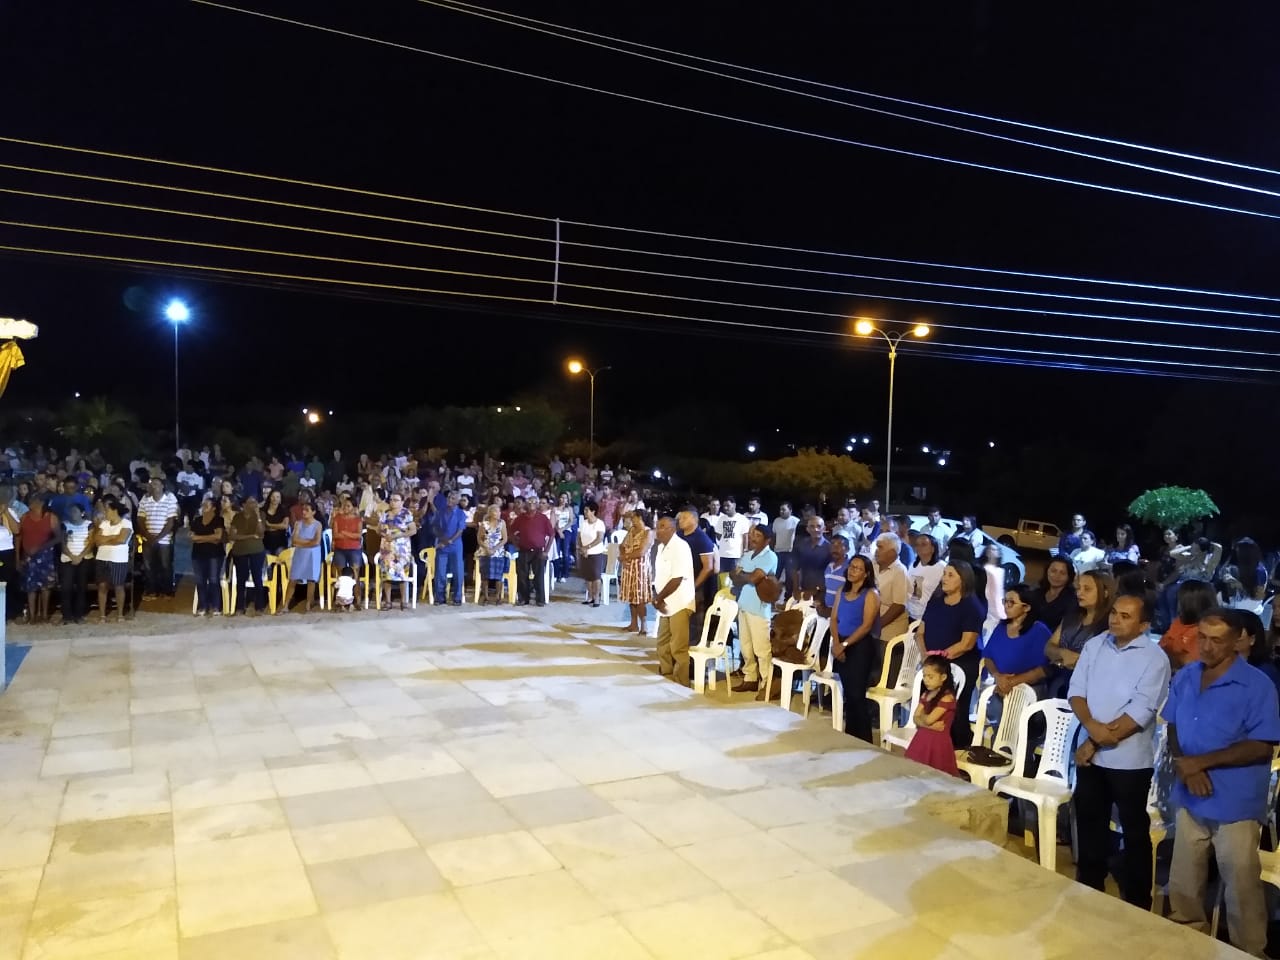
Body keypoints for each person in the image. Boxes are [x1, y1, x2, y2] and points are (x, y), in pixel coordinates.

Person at [1164, 608, 1280, 957]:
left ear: (1236, 642)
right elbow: (1172, 725)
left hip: (1235, 803)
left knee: (1241, 891)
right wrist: (1187, 765)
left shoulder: (1257, 685)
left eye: (1217, 640)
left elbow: (1262, 745)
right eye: (1202, 637)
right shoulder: (1187, 676)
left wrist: (1203, 762)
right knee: (1184, 886)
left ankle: (1249, 952)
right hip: (1191, 794)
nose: (1207, 646)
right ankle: (1186, 948)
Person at [1069, 593, 1171, 910]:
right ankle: (1089, 884)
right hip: (1091, 754)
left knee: (1134, 829)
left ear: (1143, 625)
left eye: (1126, 616)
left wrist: (1093, 741)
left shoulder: (1155, 659)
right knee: (1089, 821)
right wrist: (1090, 726)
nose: (1115, 619)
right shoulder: (1096, 644)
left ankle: (1138, 899)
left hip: (1128, 761)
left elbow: (1140, 711)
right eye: (1114, 612)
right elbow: (1077, 691)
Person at [917, 562, 985, 748]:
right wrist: (926, 658)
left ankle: (959, 750)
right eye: (944, 574)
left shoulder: (972, 607)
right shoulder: (936, 599)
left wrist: (939, 660)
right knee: (928, 709)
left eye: (950, 575)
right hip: (932, 664)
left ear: (963, 580)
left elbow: (966, 644)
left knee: (954, 715)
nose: (944, 578)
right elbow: (920, 632)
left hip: (958, 666)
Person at [981, 583, 1051, 723]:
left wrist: (1012, 682)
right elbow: (988, 656)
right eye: (1005, 601)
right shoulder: (1001, 627)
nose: (1006, 605)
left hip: (1027, 691)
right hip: (1001, 688)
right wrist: (998, 676)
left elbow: (1044, 669)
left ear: (1026, 607)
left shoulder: (1039, 631)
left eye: (1011, 602)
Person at [831, 555, 880, 741]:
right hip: (841, 644)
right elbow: (834, 619)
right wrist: (836, 643)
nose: (852, 570)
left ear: (866, 573)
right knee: (848, 694)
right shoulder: (842, 591)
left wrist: (844, 644)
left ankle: (865, 739)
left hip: (860, 646)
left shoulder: (871, 594)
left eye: (858, 568)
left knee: (857, 693)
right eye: (851, 566)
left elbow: (866, 625)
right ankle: (850, 735)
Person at [1045, 570, 1115, 694]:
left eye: (1087, 589)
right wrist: (1063, 653)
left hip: (1087, 690)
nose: (1079, 593)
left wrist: (1071, 659)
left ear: (1105, 592)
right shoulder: (1071, 617)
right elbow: (1048, 647)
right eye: (1078, 588)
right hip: (1058, 682)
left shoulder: (1110, 625)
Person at [731, 524, 779, 700]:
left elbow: (753, 577)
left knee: (762, 649)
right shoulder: (748, 554)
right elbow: (733, 575)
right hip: (744, 604)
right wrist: (747, 575)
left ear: (767, 540)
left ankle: (767, 683)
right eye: (752, 535)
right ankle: (750, 678)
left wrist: (744, 574)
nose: (753, 538)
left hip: (759, 607)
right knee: (746, 646)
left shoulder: (770, 556)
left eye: (757, 535)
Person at [653, 515, 695, 686]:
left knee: (678, 646)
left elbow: (677, 579)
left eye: (662, 526)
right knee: (662, 641)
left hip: (679, 602)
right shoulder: (661, 547)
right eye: (657, 526)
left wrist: (658, 598)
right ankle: (666, 673)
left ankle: (680, 682)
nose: (658, 530)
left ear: (672, 529)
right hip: (665, 602)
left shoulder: (680, 547)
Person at [904, 655, 961, 776]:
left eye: (931, 677)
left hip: (937, 743)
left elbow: (928, 719)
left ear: (943, 677)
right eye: (924, 676)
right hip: (923, 738)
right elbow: (915, 718)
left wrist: (923, 718)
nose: (926, 680)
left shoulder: (947, 697)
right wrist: (928, 726)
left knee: (936, 775)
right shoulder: (927, 694)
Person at [676, 508, 717, 646]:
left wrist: (694, 586)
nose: (681, 521)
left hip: (695, 587)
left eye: (685, 518)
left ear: (695, 519)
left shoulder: (701, 539)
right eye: (680, 518)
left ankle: (693, 655)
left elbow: (708, 567)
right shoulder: (679, 535)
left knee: (694, 621)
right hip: (679, 584)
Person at [17, 494, 59, 623]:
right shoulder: (24, 517)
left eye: (33, 501)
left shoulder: (51, 518)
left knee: (45, 587)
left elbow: (58, 538)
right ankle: (32, 614)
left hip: (45, 555)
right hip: (28, 556)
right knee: (31, 587)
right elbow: (19, 537)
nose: (30, 504)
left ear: (40, 503)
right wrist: (17, 557)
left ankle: (45, 614)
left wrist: (41, 547)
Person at [1160, 579, 1217, 671]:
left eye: (1179, 600)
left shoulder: (1205, 632)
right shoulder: (1178, 623)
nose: (1176, 604)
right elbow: (1161, 648)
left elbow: (1192, 664)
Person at [136, 478, 179, 598]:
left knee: (165, 565)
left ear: (162, 486)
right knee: (149, 566)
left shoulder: (169, 500)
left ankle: (167, 590)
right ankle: (152, 590)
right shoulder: (145, 500)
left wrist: (158, 537)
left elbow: (170, 522)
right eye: (151, 484)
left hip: (164, 540)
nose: (153, 486)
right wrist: (148, 535)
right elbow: (140, 519)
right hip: (147, 539)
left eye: (156, 484)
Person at [92, 496, 132, 622]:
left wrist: (107, 538)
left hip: (118, 559)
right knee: (102, 586)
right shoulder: (104, 523)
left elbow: (122, 539)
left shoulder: (126, 523)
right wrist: (113, 537)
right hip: (102, 558)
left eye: (106, 510)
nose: (105, 513)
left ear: (114, 510)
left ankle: (120, 614)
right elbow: (97, 541)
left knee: (118, 586)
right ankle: (102, 615)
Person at [376, 493, 417, 610]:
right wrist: (384, 534)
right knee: (386, 574)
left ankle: (404, 601)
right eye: (391, 500)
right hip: (387, 548)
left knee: (402, 574)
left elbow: (413, 531)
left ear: (402, 502)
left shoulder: (406, 514)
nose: (393, 502)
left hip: (402, 548)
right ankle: (388, 601)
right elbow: (378, 530)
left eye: (396, 500)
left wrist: (399, 535)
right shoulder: (385, 514)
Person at [229, 495, 267, 616]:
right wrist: (250, 536)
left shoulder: (260, 515)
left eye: (255, 502)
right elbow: (232, 536)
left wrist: (258, 517)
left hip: (257, 550)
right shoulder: (237, 517)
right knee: (241, 579)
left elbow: (261, 533)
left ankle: (259, 606)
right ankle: (240, 606)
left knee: (257, 578)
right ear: (244, 505)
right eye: (251, 502)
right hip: (240, 551)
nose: (254, 505)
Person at [189, 496, 226, 617]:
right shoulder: (197, 520)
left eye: (207, 505)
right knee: (200, 581)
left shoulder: (218, 520)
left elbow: (218, 537)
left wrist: (199, 539)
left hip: (214, 554)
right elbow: (191, 537)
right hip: (198, 555)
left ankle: (216, 606)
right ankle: (203, 606)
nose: (204, 508)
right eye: (203, 505)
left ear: (214, 508)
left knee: (214, 579)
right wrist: (209, 538)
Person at [58, 502, 93, 625]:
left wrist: (80, 557)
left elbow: (91, 543)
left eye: (75, 511)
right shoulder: (65, 525)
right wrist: (72, 556)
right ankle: (66, 615)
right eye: (71, 511)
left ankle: (79, 615)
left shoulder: (89, 525)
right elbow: (62, 544)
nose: (72, 514)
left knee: (81, 587)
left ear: (82, 513)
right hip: (68, 559)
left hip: (83, 559)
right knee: (66, 587)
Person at [432, 491, 468, 606]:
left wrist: (449, 541)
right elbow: (435, 527)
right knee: (440, 572)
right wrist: (442, 539)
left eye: (453, 498)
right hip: (442, 545)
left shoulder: (461, 513)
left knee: (458, 571)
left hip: (455, 545)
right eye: (449, 497)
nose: (449, 500)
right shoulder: (440, 512)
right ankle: (439, 597)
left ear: (457, 501)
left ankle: (457, 597)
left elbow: (460, 530)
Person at [620, 511, 653, 632]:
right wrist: (624, 557)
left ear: (640, 518)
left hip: (641, 568)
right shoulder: (631, 530)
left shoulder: (648, 533)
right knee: (631, 596)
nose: (631, 520)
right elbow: (622, 546)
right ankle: (633, 623)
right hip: (629, 567)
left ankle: (644, 625)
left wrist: (625, 557)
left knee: (640, 597)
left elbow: (641, 552)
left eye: (633, 517)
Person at [287, 502, 322, 614]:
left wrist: (302, 544)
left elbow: (316, 542)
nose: (304, 512)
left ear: (313, 512)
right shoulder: (298, 524)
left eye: (307, 510)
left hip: (313, 554)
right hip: (301, 553)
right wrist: (308, 543)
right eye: (303, 509)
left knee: (311, 579)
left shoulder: (317, 524)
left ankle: (308, 604)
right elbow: (294, 540)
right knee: (293, 578)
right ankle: (285, 604)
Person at [906, 533, 944, 623]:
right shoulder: (913, 565)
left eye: (923, 544)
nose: (919, 547)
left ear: (933, 548)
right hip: (910, 614)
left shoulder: (941, 567)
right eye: (917, 545)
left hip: (928, 617)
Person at [476, 504, 509, 604]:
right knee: (485, 576)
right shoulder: (484, 524)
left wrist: (495, 548)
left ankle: (498, 596)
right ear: (490, 513)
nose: (498, 514)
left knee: (498, 576)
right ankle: (485, 597)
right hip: (485, 552)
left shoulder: (502, 523)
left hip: (498, 552)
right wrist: (487, 548)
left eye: (499, 511)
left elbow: (505, 539)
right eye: (496, 511)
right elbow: (479, 539)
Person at [1034, 557, 1077, 632]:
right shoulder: (1037, 593)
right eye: (1053, 571)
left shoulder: (1072, 600)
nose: (1057, 576)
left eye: (1062, 573)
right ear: (1047, 572)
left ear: (1069, 577)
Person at [578, 501, 607, 607]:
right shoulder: (584, 523)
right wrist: (582, 548)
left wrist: (587, 547)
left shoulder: (599, 523)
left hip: (596, 553)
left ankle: (596, 598)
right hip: (585, 553)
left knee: (595, 576)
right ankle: (590, 597)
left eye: (587, 510)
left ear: (593, 511)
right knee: (587, 576)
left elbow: (599, 539)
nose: (585, 512)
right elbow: (579, 537)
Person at [817, 534, 850, 618]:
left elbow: (853, 596)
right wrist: (822, 604)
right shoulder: (829, 566)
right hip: (827, 612)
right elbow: (826, 589)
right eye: (832, 544)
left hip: (842, 615)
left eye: (839, 544)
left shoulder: (851, 568)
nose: (835, 548)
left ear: (847, 549)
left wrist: (834, 611)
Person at [772, 502, 799, 599]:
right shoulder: (776, 521)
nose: (781, 511)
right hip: (778, 552)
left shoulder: (796, 521)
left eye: (784, 509)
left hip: (790, 553)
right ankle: (771, 596)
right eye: (780, 510)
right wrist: (772, 549)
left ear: (790, 510)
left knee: (789, 577)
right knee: (775, 576)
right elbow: (774, 536)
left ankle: (788, 599)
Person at [716, 498, 749, 572]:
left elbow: (745, 536)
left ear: (734, 505)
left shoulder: (742, 519)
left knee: (735, 578)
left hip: (736, 554)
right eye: (724, 506)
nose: (725, 508)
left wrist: (745, 551)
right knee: (722, 578)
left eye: (728, 505)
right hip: (723, 554)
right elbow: (718, 536)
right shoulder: (721, 519)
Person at [261, 489, 290, 557]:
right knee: (266, 562)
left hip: (280, 542)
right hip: (265, 542)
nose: (275, 499)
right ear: (269, 497)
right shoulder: (262, 510)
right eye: (273, 496)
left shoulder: (284, 510)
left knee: (280, 560)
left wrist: (269, 525)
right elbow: (262, 527)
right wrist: (277, 527)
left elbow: (285, 526)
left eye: (277, 497)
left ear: (280, 499)